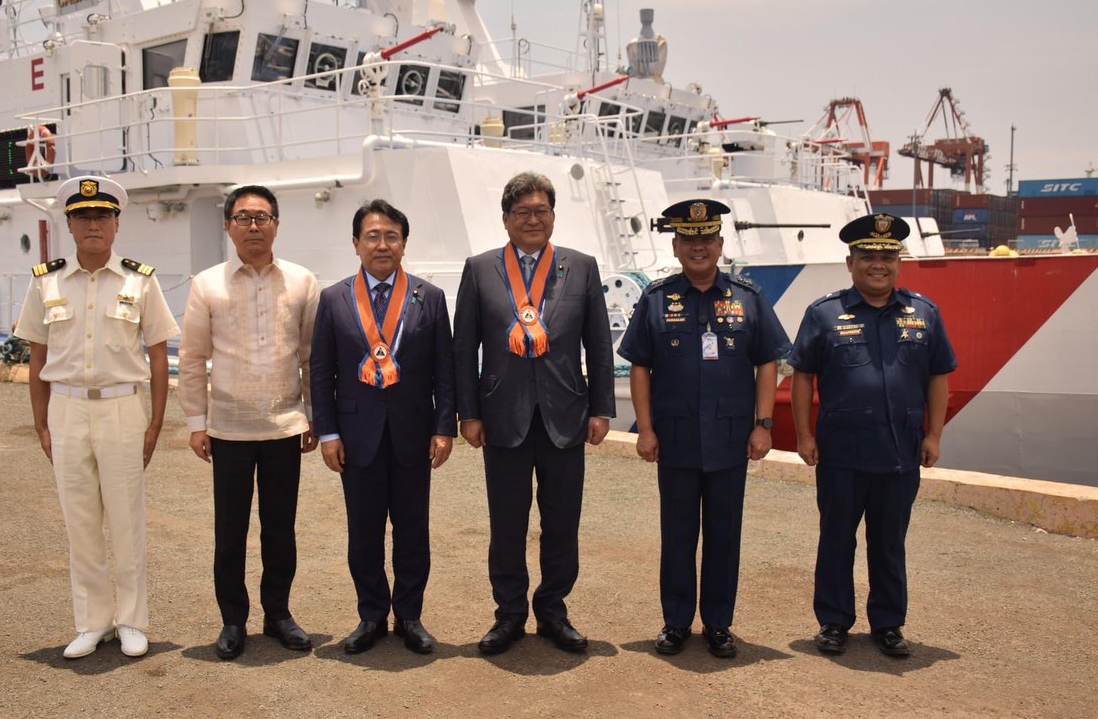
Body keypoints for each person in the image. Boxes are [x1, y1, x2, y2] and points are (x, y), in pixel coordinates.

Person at [617, 199, 791, 658]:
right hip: (674, 439)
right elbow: (640, 367)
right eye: (689, 240)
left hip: (730, 440)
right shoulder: (656, 299)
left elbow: (767, 362)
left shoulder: (748, 298)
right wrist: (645, 429)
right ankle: (676, 622)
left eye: (707, 239)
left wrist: (763, 425)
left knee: (723, 535)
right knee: (677, 535)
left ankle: (718, 624)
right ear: (675, 246)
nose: (699, 247)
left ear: (720, 243)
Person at [453, 171, 615, 655]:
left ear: (553, 216)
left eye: (540, 210)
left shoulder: (581, 267)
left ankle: (552, 610)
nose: (532, 219)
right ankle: (508, 613)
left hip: (566, 415)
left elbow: (599, 344)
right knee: (507, 522)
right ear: (506, 219)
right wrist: (468, 413)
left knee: (562, 521)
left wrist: (602, 408)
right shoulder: (479, 269)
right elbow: (464, 348)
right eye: (522, 212)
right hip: (501, 416)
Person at [17, 175, 178, 659]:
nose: (93, 224)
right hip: (66, 408)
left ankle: (130, 620)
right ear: (69, 224)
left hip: (122, 408)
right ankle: (92, 622)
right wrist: (41, 423)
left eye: (102, 216)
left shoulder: (139, 281)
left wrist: (154, 423)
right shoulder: (45, 281)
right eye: (83, 216)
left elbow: (157, 356)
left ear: (116, 224)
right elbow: (37, 356)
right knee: (80, 520)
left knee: (127, 520)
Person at [788, 212, 956, 658]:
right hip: (841, 453)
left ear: (898, 262)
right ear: (851, 262)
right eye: (867, 256)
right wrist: (804, 435)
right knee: (836, 540)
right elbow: (802, 376)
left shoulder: (923, 313)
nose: (878, 264)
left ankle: (888, 624)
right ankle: (833, 622)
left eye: (887, 256)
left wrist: (934, 435)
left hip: (900, 451)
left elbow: (939, 376)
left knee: (889, 543)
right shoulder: (824, 313)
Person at [177, 185, 321, 660]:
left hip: (284, 426)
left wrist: (313, 416)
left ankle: (278, 614)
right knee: (230, 531)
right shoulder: (207, 284)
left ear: (276, 224)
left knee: (280, 529)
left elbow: (311, 357)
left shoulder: (302, 281)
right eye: (243, 218)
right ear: (227, 226)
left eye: (262, 217)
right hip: (228, 429)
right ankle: (233, 620)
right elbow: (192, 358)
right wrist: (196, 422)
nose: (253, 226)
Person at [310, 200, 456, 655]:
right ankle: (371, 615)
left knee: (413, 530)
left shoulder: (430, 297)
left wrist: (444, 427)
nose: (382, 244)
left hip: (414, 434)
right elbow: (321, 372)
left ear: (404, 243)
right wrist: (328, 433)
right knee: (364, 532)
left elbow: (444, 369)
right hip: (356, 438)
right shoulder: (333, 298)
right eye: (372, 236)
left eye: (392, 236)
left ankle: (410, 615)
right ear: (356, 243)